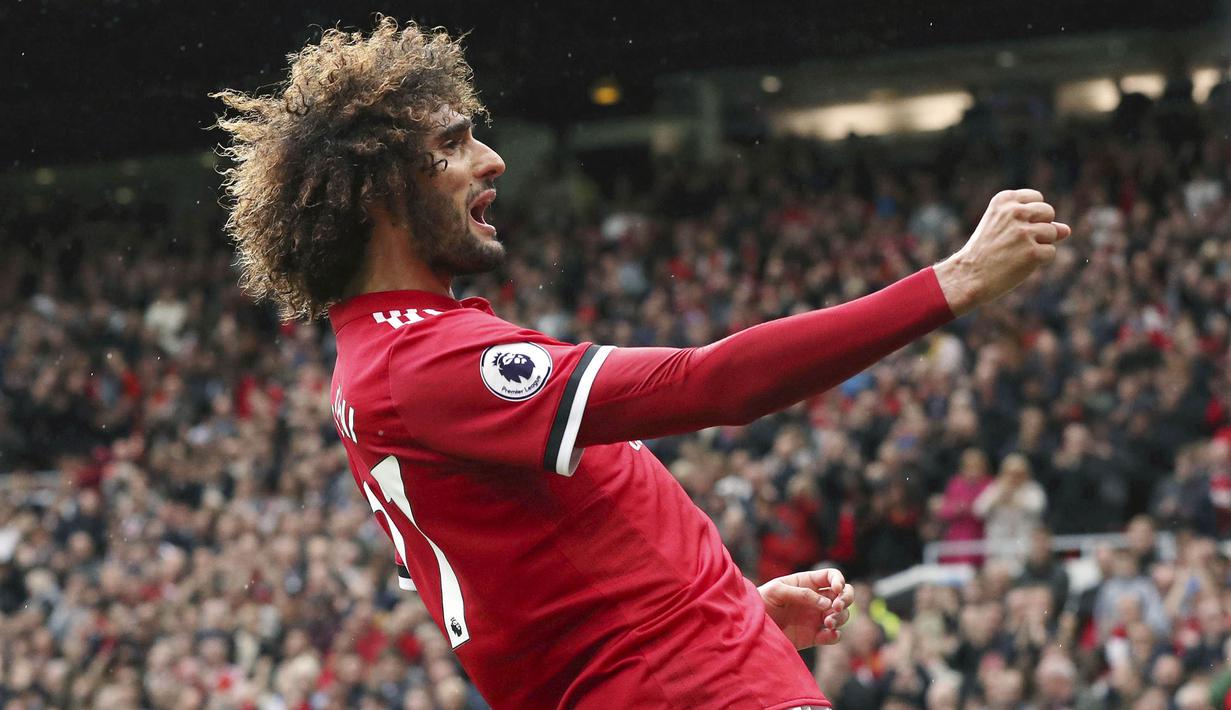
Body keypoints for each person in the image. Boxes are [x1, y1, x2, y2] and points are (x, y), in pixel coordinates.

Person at [212, 18, 1072, 710]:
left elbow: (536, 586)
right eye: (454, 143)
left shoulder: (378, 360)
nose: (491, 159)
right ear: (374, 193)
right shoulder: (421, 360)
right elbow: (716, 386)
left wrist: (734, 611)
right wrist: (951, 283)